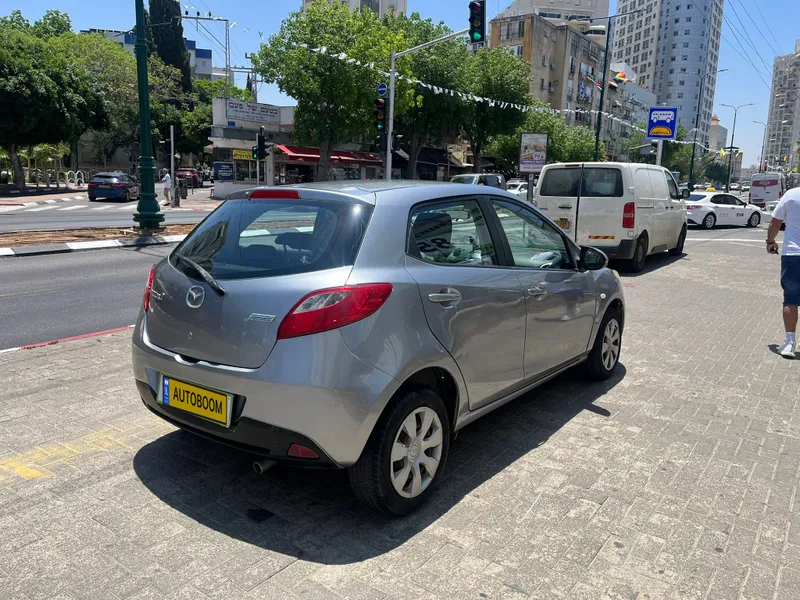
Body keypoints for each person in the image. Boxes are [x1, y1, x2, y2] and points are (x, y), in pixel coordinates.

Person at [766, 185, 800, 358]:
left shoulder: (792, 195)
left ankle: (790, 343)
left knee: (791, 300)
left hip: (794, 254)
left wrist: (770, 241)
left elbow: (776, 222)